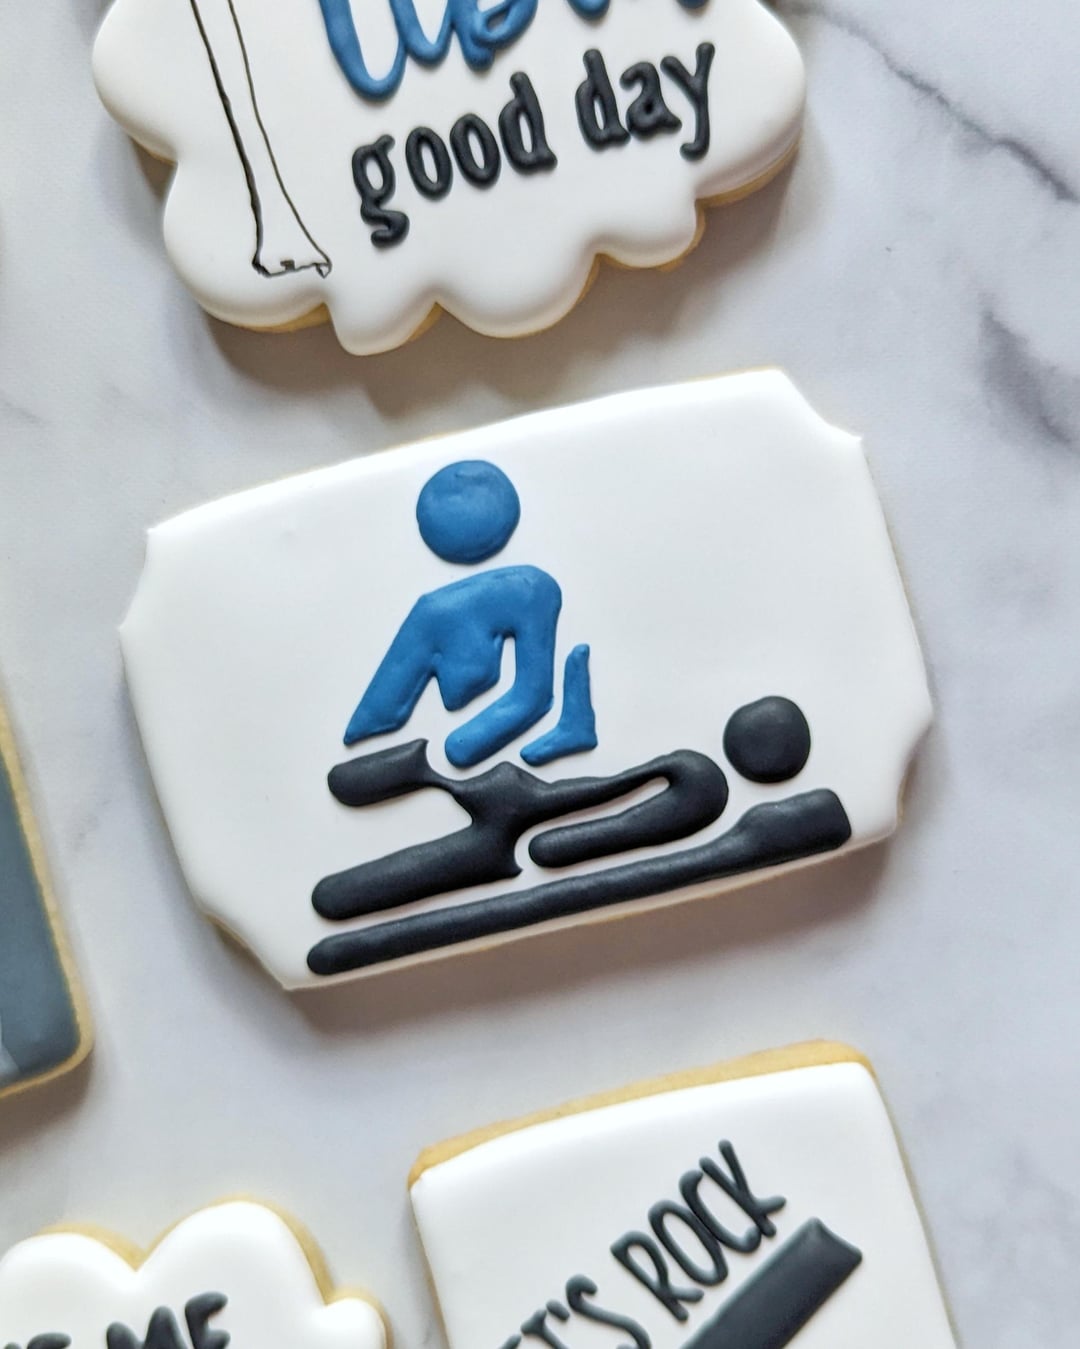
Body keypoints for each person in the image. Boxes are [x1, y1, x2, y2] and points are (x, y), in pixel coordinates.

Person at [344, 460, 596, 769]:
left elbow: (531, 696)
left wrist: (462, 746)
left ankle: (574, 723)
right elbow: (529, 697)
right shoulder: (439, 612)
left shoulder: (530, 590)